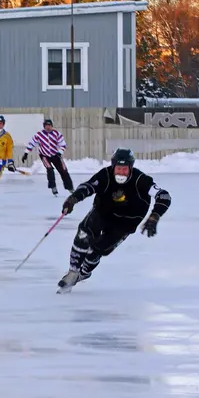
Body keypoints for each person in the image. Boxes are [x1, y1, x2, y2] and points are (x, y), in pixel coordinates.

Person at [56, 148, 172, 293]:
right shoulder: (105, 174)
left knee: (97, 250)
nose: (121, 172)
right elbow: (88, 187)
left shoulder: (140, 180)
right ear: (113, 166)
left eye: (125, 169)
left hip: (125, 223)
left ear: (131, 167)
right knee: (83, 235)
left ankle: (83, 274)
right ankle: (73, 272)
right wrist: (73, 199)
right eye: (118, 168)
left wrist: (155, 216)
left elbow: (164, 196)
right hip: (102, 213)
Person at [22, 118, 73, 196]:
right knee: (50, 169)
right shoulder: (39, 135)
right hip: (44, 155)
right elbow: (31, 143)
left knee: (64, 170)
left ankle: (70, 188)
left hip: (56, 155)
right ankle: (53, 187)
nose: (48, 127)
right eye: (46, 126)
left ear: (52, 126)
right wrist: (26, 153)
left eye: (49, 125)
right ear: (44, 126)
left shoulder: (57, 134)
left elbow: (63, 144)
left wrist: (60, 152)